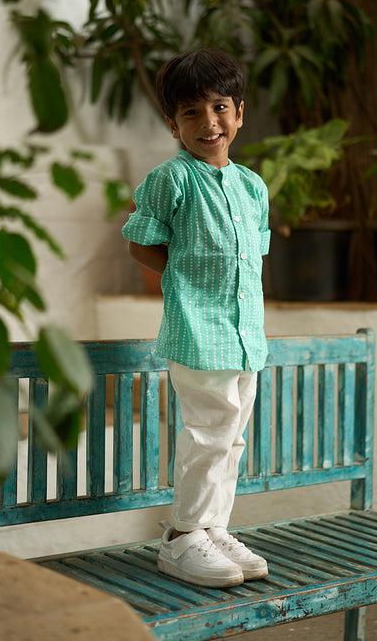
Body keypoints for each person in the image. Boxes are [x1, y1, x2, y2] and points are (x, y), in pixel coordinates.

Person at [122, 48, 271, 588]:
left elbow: (252, 260)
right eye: (191, 112)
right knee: (206, 434)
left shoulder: (253, 187)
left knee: (231, 438)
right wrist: (183, 280)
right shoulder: (172, 180)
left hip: (245, 336)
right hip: (199, 332)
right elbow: (141, 244)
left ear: (239, 112)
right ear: (173, 123)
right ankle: (183, 537)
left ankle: (213, 528)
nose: (208, 123)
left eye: (219, 107)